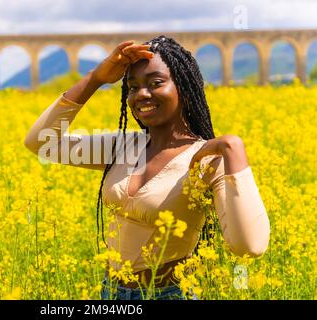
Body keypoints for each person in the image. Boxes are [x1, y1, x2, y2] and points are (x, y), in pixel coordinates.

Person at [24, 35, 271, 300]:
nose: (141, 94)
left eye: (155, 83)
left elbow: (250, 247)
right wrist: (96, 78)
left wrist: (233, 148)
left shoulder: (208, 159)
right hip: (110, 293)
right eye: (132, 87)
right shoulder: (123, 146)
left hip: (170, 294)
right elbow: (42, 144)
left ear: (185, 88)